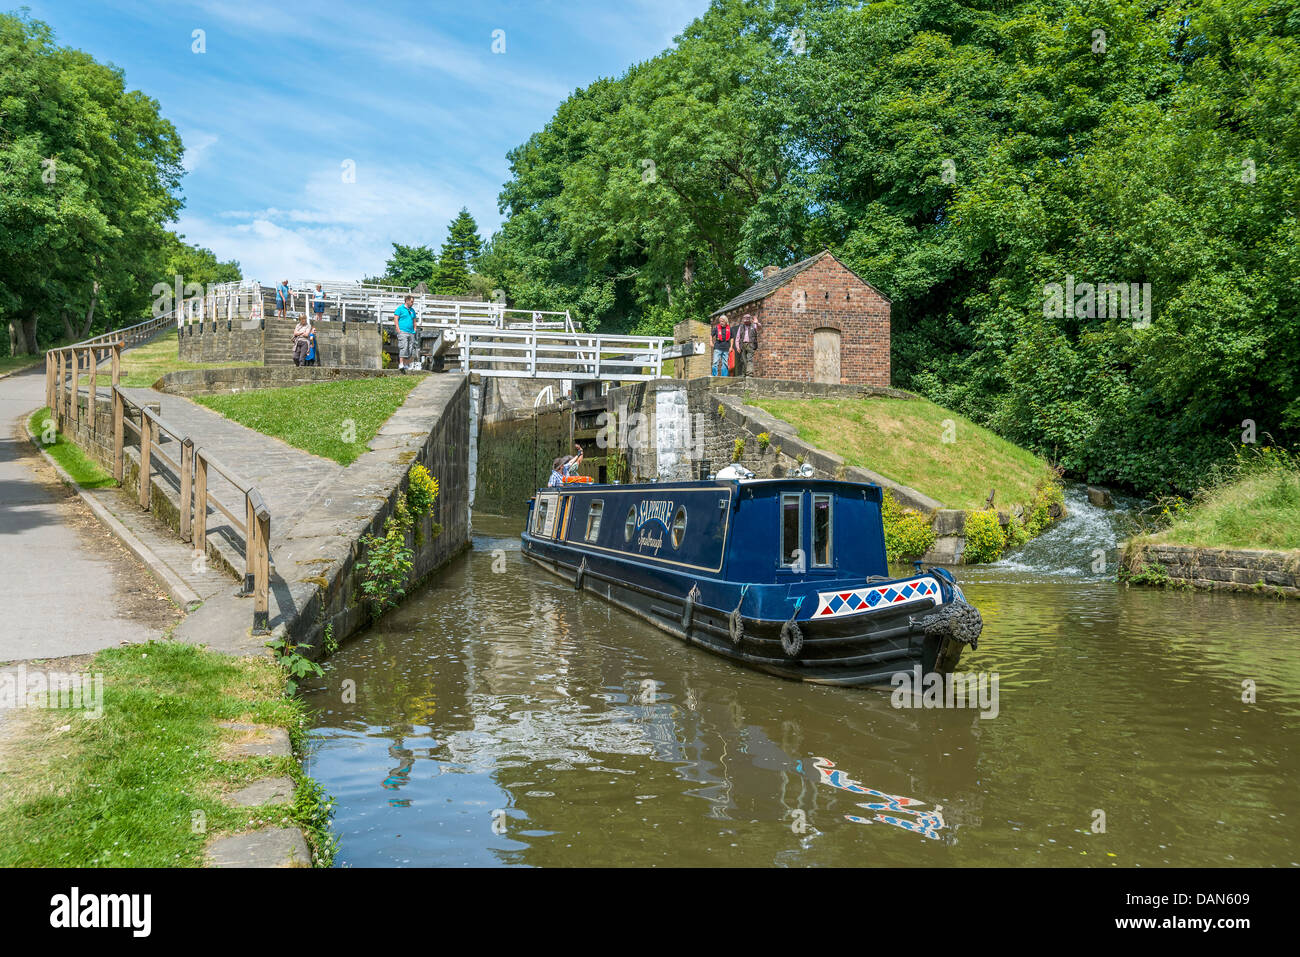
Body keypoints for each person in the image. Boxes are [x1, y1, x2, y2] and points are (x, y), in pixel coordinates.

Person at [393, 294, 419, 373]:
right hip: (403, 331)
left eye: (413, 302)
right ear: (407, 301)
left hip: (411, 332)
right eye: (411, 302)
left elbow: (414, 320)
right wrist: (397, 328)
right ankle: (401, 364)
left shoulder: (412, 310)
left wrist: (414, 329)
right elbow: (396, 318)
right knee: (404, 346)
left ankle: (407, 364)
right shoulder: (400, 309)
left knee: (410, 348)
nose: (412, 303)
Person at [735, 313, 761, 377]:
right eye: (745, 320)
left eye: (747, 319)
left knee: (750, 359)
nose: (746, 321)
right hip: (742, 345)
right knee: (743, 360)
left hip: (751, 344)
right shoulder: (741, 327)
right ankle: (744, 374)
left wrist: (757, 323)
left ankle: (749, 374)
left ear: (750, 320)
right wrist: (737, 347)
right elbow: (737, 337)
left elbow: (760, 328)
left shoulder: (754, 325)